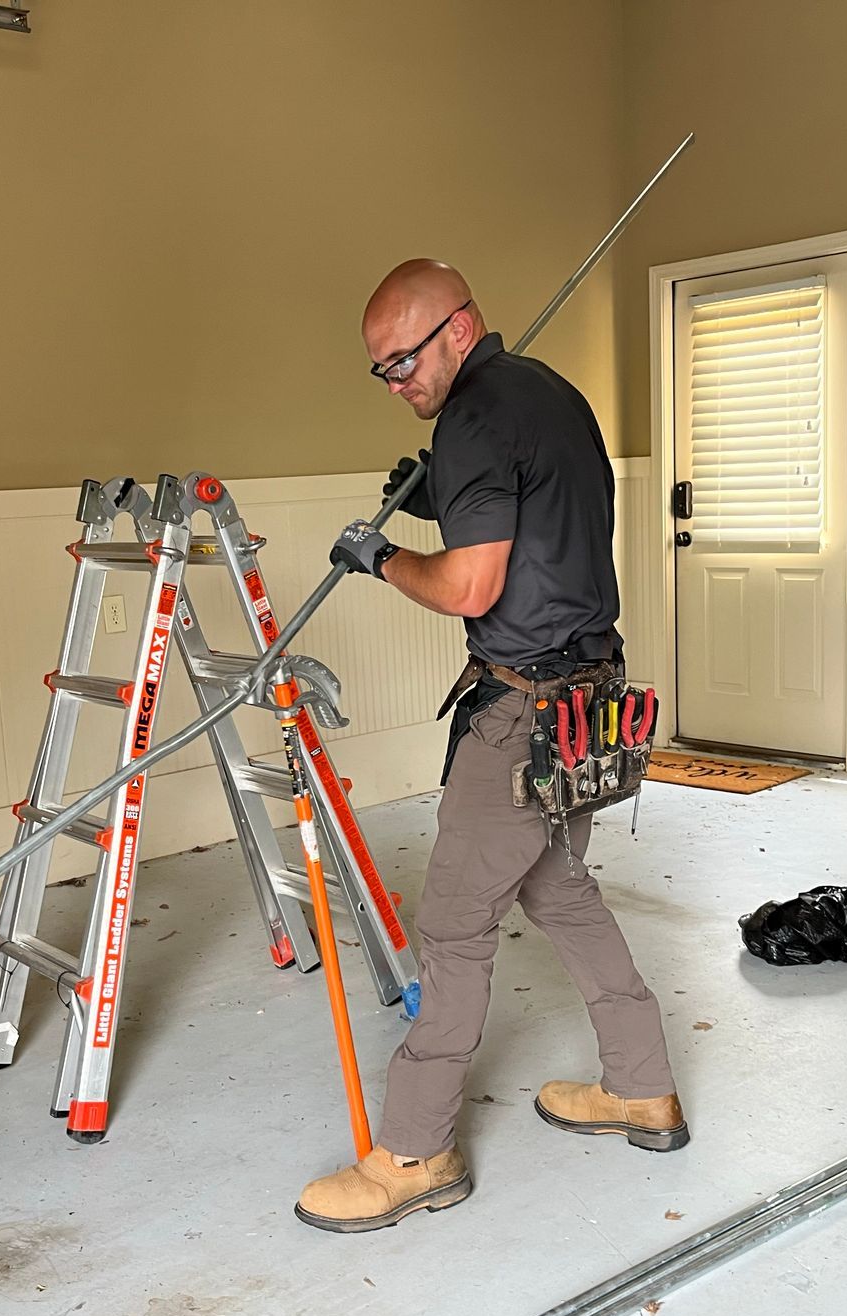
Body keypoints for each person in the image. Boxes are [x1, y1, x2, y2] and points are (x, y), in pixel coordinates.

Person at [295, 259, 686, 1234]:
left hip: (520, 715)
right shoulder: (551, 395)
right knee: (559, 888)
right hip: (588, 699)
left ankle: (414, 1154)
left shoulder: (468, 422)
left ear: (458, 329)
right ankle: (645, 1089)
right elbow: (541, 519)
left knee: (456, 929)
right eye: (381, 371)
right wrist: (440, 501)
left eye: (404, 362)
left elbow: (473, 589)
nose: (398, 386)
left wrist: (384, 555)